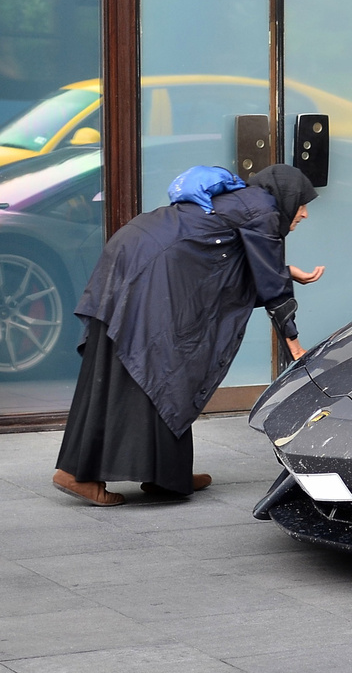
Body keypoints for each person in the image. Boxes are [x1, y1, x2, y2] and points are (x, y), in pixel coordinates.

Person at [52, 164, 324, 506]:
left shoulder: (245, 202)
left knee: (160, 366)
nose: (305, 213)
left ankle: (166, 473)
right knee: (143, 364)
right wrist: (295, 345)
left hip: (136, 253)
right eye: (303, 202)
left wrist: (284, 273)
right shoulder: (265, 210)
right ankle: (78, 473)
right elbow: (270, 285)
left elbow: (247, 268)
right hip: (152, 270)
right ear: (288, 197)